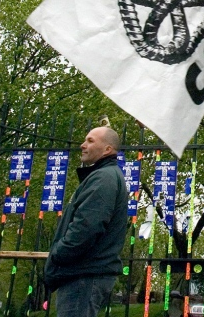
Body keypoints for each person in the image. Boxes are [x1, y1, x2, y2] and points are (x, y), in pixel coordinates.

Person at [44, 121, 129, 317]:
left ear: (107, 149)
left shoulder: (103, 178)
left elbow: (87, 227)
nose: (83, 145)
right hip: (84, 273)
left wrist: (58, 253)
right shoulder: (103, 176)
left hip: (83, 274)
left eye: (90, 141)